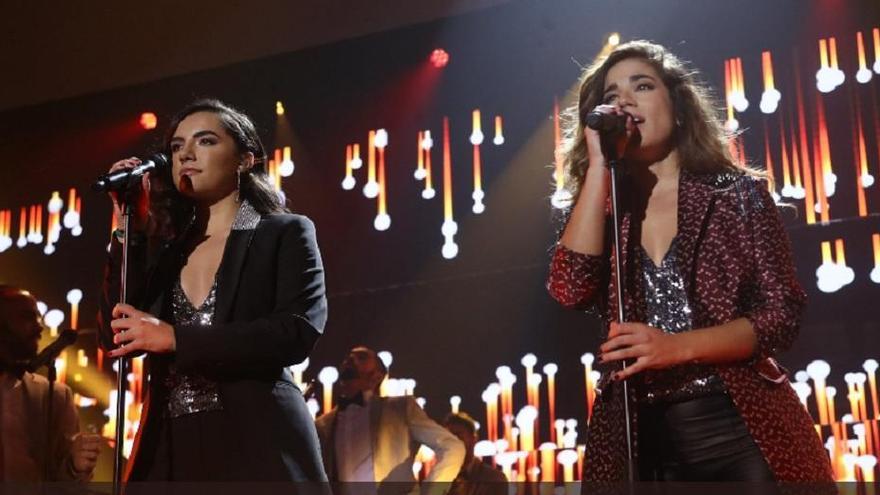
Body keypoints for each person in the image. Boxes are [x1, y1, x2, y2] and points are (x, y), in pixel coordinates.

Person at [546, 41, 833, 482]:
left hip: (739, 425)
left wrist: (676, 347)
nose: (623, 101)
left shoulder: (737, 196)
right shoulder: (603, 209)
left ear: (678, 107)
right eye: (610, 96)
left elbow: (781, 316)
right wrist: (600, 165)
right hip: (639, 435)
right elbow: (570, 287)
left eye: (641, 86)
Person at [97, 99, 328, 481]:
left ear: (245, 159)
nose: (186, 154)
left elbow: (295, 331)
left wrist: (176, 339)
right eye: (176, 146)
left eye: (205, 141)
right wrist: (130, 229)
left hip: (257, 438)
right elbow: (112, 334)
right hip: (169, 448)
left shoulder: (283, 232)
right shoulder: (166, 251)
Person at [314, 346, 465, 493]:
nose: (351, 359)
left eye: (361, 357)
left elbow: (452, 446)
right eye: (348, 357)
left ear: (378, 376)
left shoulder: (400, 409)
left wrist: (432, 491)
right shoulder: (322, 425)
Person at [0, 285, 101, 482]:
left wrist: (75, 466)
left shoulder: (55, 395)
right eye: (27, 317)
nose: (39, 327)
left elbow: (67, 485)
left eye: (38, 317)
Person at [442, 412, 506, 495]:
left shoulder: (494, 478)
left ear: (473, 439)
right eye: (448, 439)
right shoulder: (440, 477)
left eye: (459, 437)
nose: (453, 444)